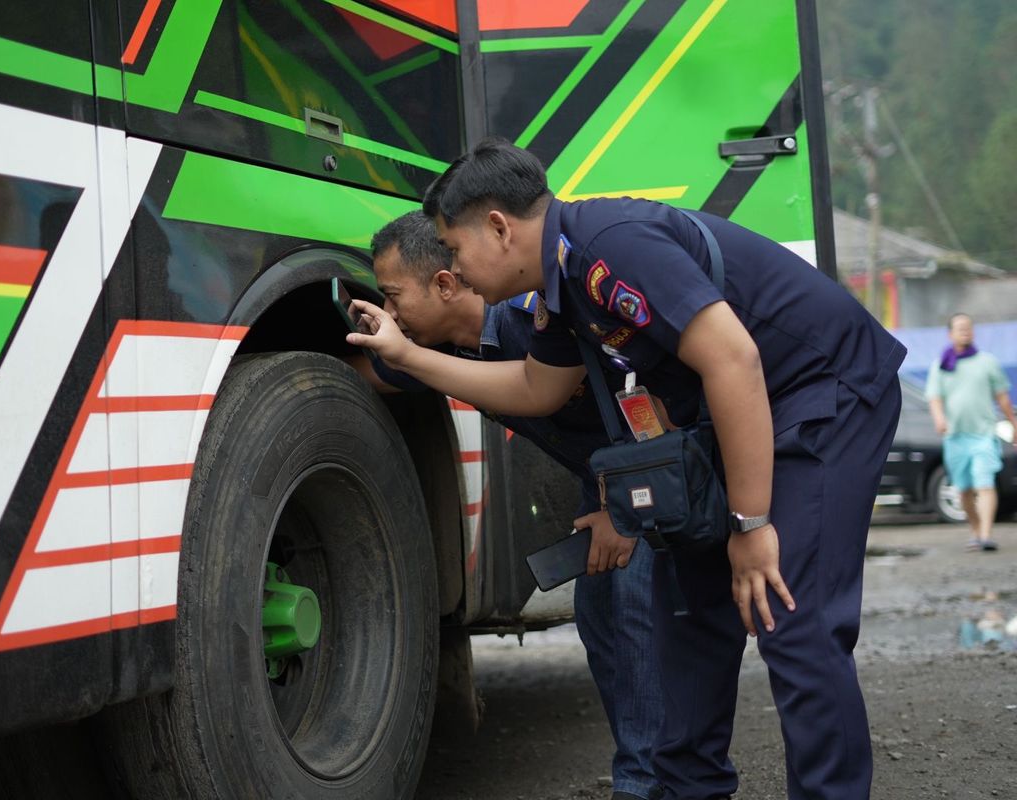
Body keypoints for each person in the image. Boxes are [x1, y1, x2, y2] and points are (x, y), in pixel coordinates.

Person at [347, 138, 906, 800]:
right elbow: (536, 389)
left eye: (457, 250)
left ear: (497, 227)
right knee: (687, 622)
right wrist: (407, 358)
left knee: (791, 621)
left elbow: (735, 361)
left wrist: (752, 526)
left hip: (821, 393)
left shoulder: (612, 246)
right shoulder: (560, 285)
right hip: (728, 418)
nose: (458, 270)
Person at [358, 210, 663, 800]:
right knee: (602, 619)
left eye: (393, 297)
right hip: (603, 481)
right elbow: (377, 372)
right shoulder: (450, 349)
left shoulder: (535, 324)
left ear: (444, 286)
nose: (390, 315)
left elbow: (646, 397)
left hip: (646, 473)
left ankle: (654, 782)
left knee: (636, 617)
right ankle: (648, 774)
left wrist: (626, 511)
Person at [926, 313, 1017, 551]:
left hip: (984, 434)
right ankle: (976, 531)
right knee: (964, 490)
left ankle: (986, 535)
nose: (965, 331)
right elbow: (934, 397)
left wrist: (1014, 424)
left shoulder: (988, 362)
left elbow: (1003, 397)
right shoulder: (942, 364)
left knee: (985, 484)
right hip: (955, 437)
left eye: (968, 327)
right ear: (950, 334)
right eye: (960, 328)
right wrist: (939, 418)